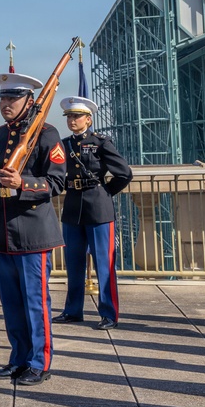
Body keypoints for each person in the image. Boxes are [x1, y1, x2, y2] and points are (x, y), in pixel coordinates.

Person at [0, 73, 65, 386]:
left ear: (30, 101)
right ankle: (17, 359)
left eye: (12, 99)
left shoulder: (47, 134)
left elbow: (57, 182)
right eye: (2, 99)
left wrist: (23, 183)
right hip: (2, 233)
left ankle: (39, 363)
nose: (5, 104)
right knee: (11, 303)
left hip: (33, 233)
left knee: (34, 302)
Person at [53, 96, 132, 330]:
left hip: (98, 208)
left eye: (76, 116)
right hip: (73, 208)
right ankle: (73, 311)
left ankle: (109, 313)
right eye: (69, 117)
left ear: (88, 119)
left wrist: (105, 192)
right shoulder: (64, 144)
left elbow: (124, 173)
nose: (72, 121)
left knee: (103, 264)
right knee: (73, 263)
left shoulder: (101, 142)